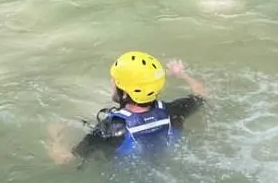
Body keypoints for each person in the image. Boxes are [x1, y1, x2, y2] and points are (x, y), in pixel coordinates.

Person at [45, 51, 207, 164]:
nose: (112, 83)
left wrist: (55, 137)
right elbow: (202, 95)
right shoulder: (173, 111)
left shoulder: (111, 129)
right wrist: (182, 75)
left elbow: (64, 160)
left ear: (124, 92)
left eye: (115, 81)